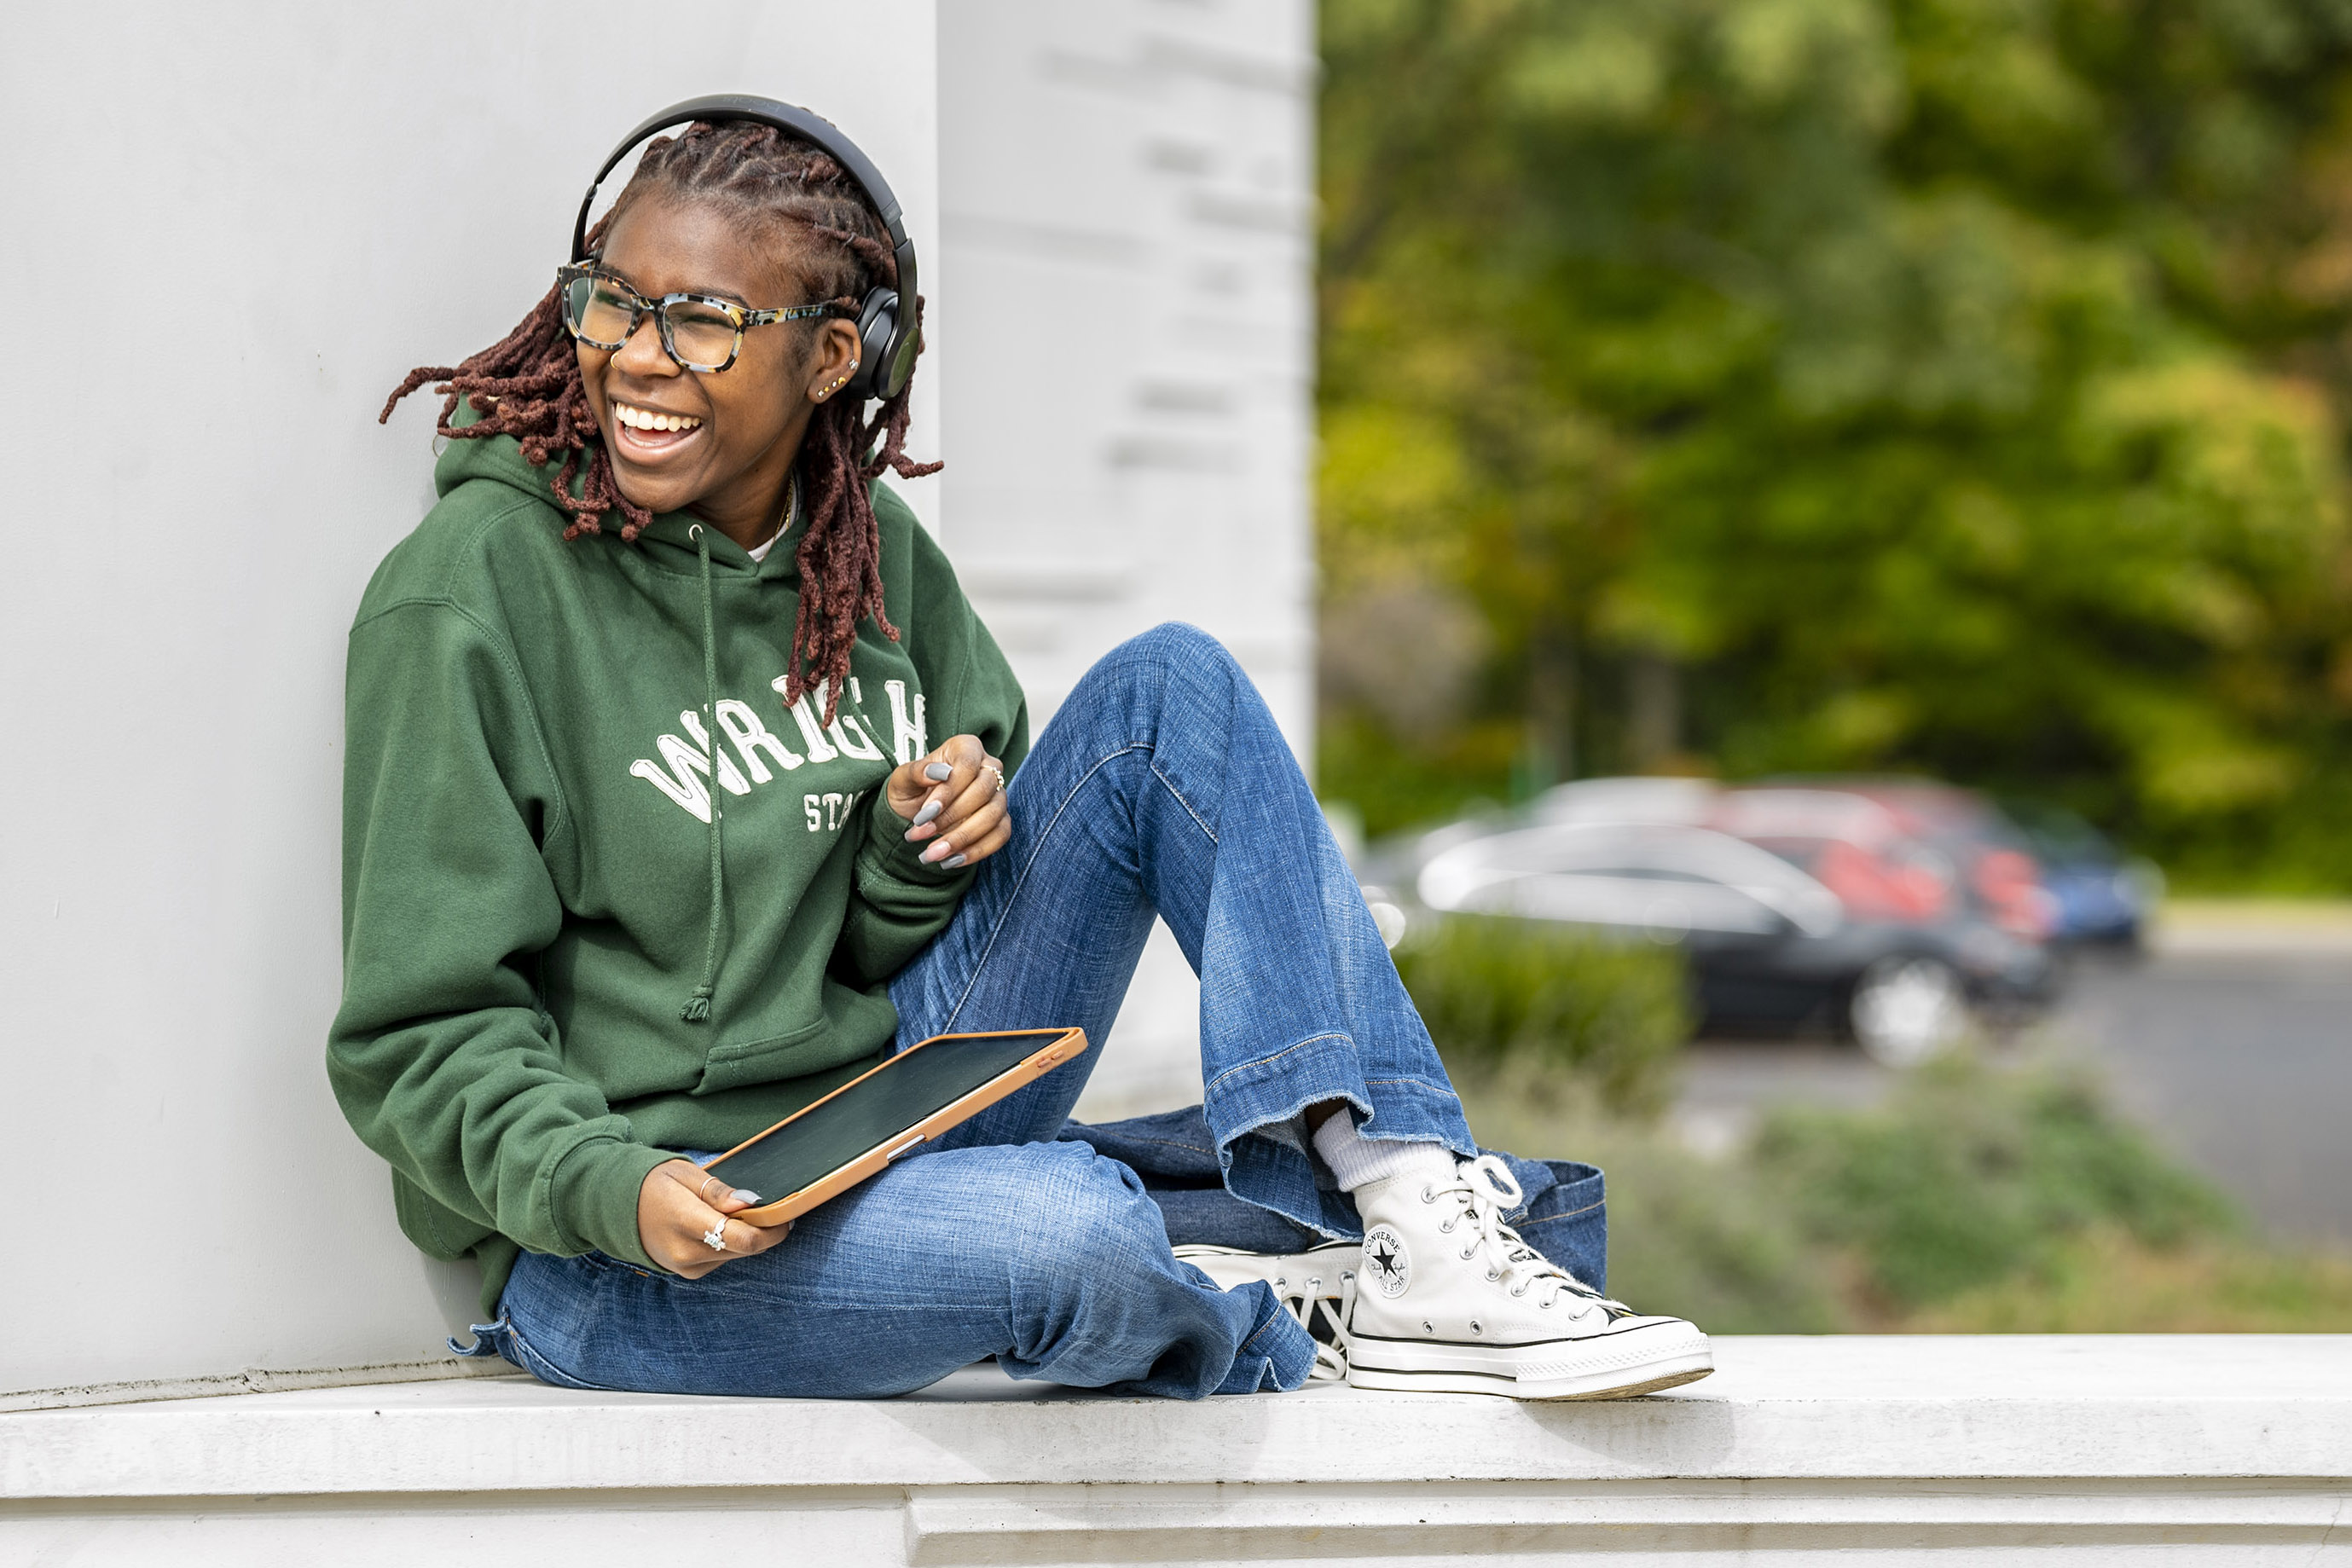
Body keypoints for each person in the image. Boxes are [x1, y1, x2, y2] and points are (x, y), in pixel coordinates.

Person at [331, 107, 1711, 1401]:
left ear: (834, 357)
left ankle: (1408, 1206)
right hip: (641, 1235)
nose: (637, 355)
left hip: (876, 1116)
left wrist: (908, 849)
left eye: (703, 324)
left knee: (1170, 686)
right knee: (1072, 1240)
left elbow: (866, 938)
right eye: (615, 302)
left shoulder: (858, 554)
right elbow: (418, 1036)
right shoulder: (470, 595)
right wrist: (603, 1187)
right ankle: (1251, 1298)